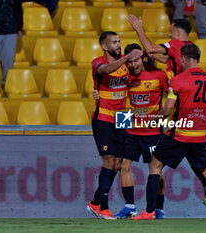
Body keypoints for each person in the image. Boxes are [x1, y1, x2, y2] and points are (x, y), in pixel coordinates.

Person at [131, 44, 206, 221]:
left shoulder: (178, 80)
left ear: (183, 59)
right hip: (200, 135)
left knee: (155, 166)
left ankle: (149, 211)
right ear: (198, 58)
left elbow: (168, 109)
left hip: (180, 133)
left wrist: (155, 119)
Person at [128, 15, 206, 206]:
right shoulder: (184, 50)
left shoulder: (176, 44)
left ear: (177, 33)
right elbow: (157, 55)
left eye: (170, 31)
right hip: (189, 105)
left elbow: (151, 49)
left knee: (156, 163)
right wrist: (148, 56)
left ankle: (150, 208)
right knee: (193, 149)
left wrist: (139, 28)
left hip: (177, 103)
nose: (168, 34)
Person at [86, 31, 142, 220]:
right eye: (114, 42)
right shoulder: (97, 62)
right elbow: (105, 70)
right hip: (104, 117)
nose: (118, 44)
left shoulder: (127, 65)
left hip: (123, 116)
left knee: (118, 164)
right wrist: (126, 56)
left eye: (119, 41)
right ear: (104, 46)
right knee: (109, 161)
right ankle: (102, 207)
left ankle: (94, 202)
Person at [113, 43, 169, 219]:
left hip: (153, 132)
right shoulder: (126, 78)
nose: (134, 64)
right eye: (130, 61)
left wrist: (163, 118)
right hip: (132, 132)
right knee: (124, 166)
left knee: (156, 170)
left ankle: (158, 208)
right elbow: (121, 101)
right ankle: (130, 205)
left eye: (137, 60)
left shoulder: (158, 75)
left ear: (142, 58)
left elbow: (173, 98)